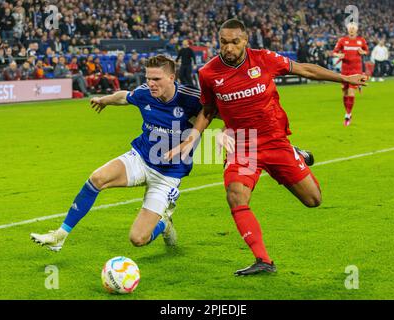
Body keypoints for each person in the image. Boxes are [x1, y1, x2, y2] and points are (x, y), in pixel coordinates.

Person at [165, 19, 367, 276]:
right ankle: (263, 260)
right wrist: (191, 138)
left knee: (313, 200)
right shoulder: (208, 73)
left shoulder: (264, 59)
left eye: (234, 42)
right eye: (223, 42)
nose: (228, 48)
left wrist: (344, 77)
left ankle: (297, 155)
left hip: (275, 141)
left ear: (245, 41)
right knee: (236, 195)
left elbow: (305, 70)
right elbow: (209, 109)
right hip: (242, 144)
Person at [30, 55, 202, 252]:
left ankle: (164, 223)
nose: (151, 84)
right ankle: (60, 235)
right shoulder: (145, 93)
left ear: (172, 78)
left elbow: (217, 112)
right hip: (141, 158)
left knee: (138, 239)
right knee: (97, 177)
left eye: (156, 79)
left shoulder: (190, 98)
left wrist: (224, 134)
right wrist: (104, 100)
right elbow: (124, 97)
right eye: (148, 78)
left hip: (167, 176)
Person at [333, 22, 369, 126]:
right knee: (344, 93)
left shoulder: (361, 40)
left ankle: (347, 115)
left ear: (356, 30)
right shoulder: (342, 40)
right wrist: (339, 54)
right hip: (345, 70)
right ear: (348, 29)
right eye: (350, 28)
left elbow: (366, 51)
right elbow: (334, 52)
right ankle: (348, 112)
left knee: (350, 92)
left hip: (356, 70)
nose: (352, 30)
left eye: (353, 28)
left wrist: (363, 52)